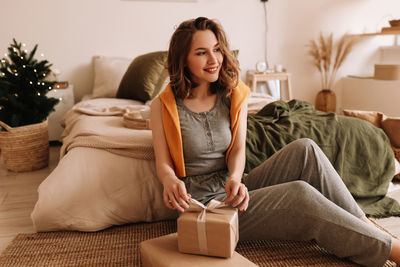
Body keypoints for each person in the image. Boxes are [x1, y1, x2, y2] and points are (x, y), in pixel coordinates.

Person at [150, 16, 400, 266]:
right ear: (183, 58)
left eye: (217, 49)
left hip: (234, 189)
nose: (214, 59)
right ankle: (390, 250)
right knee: (299, 194)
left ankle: (365, 225)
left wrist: (236, 179)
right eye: (202, 53)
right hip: (202, 207)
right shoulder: (163, 105)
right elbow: (164, 164)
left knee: (306, 149)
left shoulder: (234, 94)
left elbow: (238, 149)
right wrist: (171, 180)